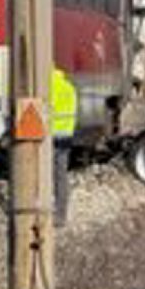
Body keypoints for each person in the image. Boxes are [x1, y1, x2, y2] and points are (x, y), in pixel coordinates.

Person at [51, 67, 78, 227]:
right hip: (66, 136)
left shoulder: (47, 87)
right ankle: (61, 214)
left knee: (46, 175)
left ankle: (44, 210)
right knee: (61, 176)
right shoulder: (69, 87)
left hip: (50, 137)